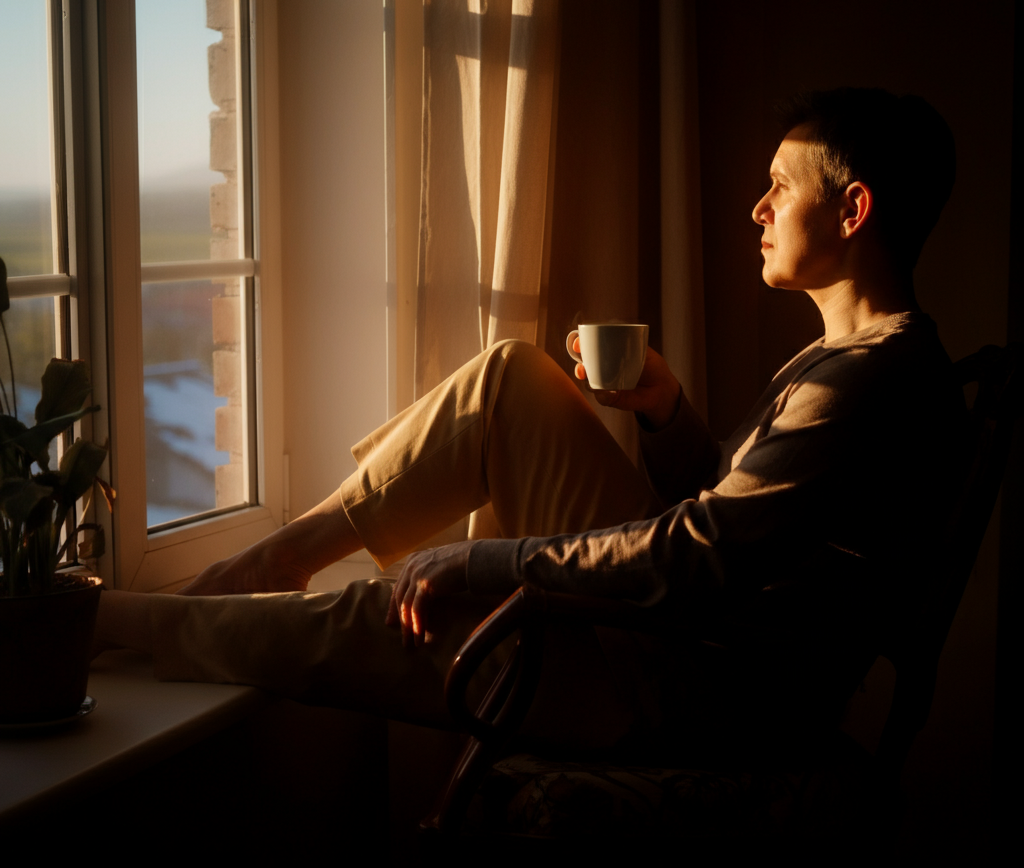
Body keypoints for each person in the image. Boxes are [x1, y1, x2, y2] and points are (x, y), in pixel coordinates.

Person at [95, 88, 963, 761]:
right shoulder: (860, 359)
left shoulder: (867, 382)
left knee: (416, 609)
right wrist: (663, 411)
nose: (758, 209)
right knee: (511, 376)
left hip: (704, 683)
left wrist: (471, 558)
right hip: (702, 645)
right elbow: (742, 523)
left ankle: (120, 625)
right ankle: (275, 559)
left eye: (780, 186)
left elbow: (697, 556)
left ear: (851, 212)